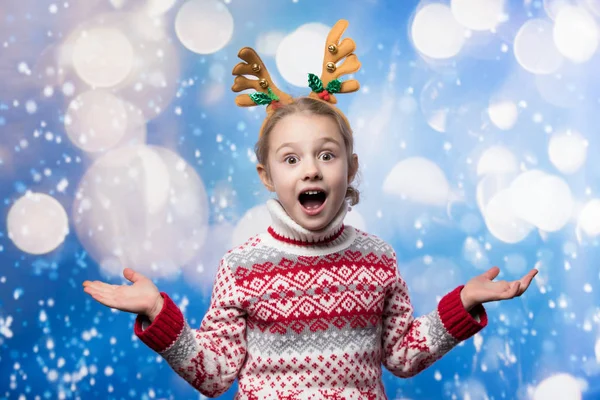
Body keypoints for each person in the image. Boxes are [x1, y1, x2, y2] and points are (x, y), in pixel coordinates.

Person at [82, 20, 537, 399]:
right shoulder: (242, 267)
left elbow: (401, 355)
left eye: (326, 154)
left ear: (350, 167)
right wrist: (158, 313)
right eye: (291, 159)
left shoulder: (378, 259)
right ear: (267, 177)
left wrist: (464, 302)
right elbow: (215, 374)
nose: (311, 171)